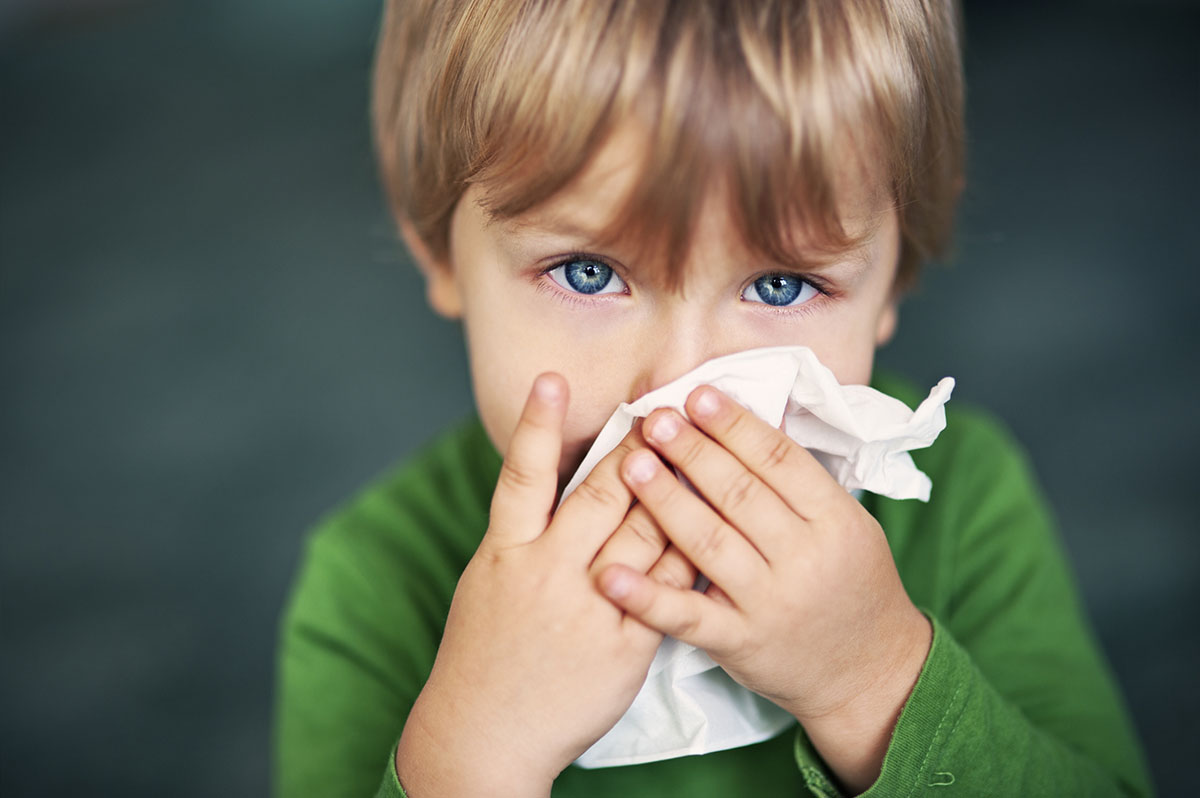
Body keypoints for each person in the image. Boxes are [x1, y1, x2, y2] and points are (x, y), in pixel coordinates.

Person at [274, 1, 1152, 795]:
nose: (673, 395)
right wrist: (475, 754)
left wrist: (872, 680)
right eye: (589, 273)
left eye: (779, 287)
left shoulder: (961, 499)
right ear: (436, 248)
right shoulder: (374, 579)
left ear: (897, 275)